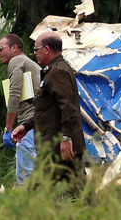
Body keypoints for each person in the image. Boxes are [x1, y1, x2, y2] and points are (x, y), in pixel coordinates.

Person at [11, 32, 85, 191]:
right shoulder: (52, 71)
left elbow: (68, 108)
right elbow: (46, 109)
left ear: (47, 49)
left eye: (36, 49)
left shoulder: (58, 72)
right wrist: (26, 126)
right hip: (54, 146)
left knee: (40, 192)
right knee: (79, 191)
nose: (34, 53)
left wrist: (66, 139)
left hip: (59, 146)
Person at [0, 33, 41, 185]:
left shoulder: (16, 60)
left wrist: (8, 128)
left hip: (29, 122)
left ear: (14, 48)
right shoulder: (28, 63)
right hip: (39, 121)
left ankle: (28, 207)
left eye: (1, 48)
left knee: (25, 175)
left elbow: (14, 93)